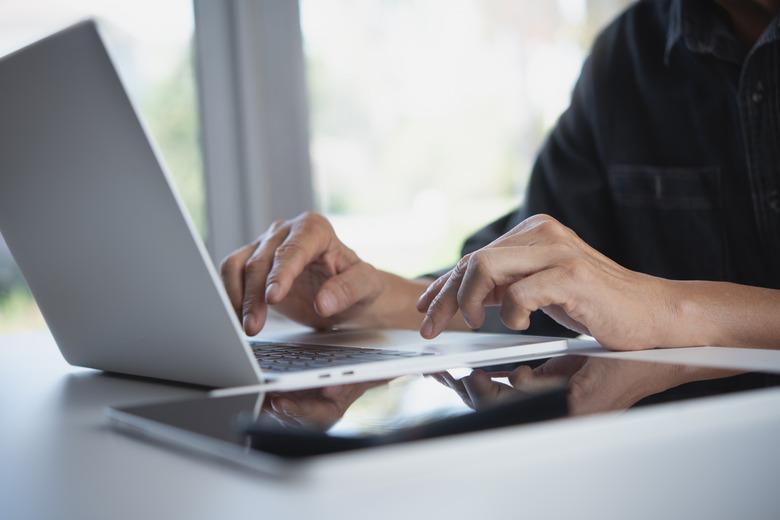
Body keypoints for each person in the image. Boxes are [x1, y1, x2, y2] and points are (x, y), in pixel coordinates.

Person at [220, 0, 780, 352]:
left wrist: (665, 309)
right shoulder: (625, 59)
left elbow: (632, 302)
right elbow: (525, 279)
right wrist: (357, 296)